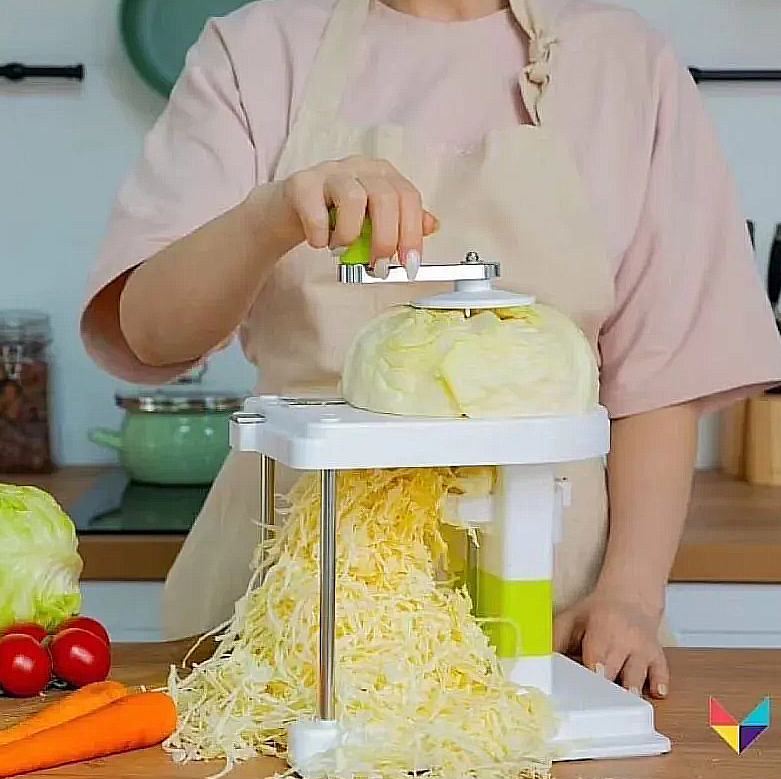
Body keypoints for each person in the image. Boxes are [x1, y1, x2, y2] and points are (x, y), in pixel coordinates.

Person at [81, 0, 781, 699]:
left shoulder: (627, 62)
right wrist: (270, 217)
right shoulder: (256, 50)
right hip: (292, 606)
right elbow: (153, 333)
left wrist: (629, 595)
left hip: (551, 610)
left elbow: (658, 377)